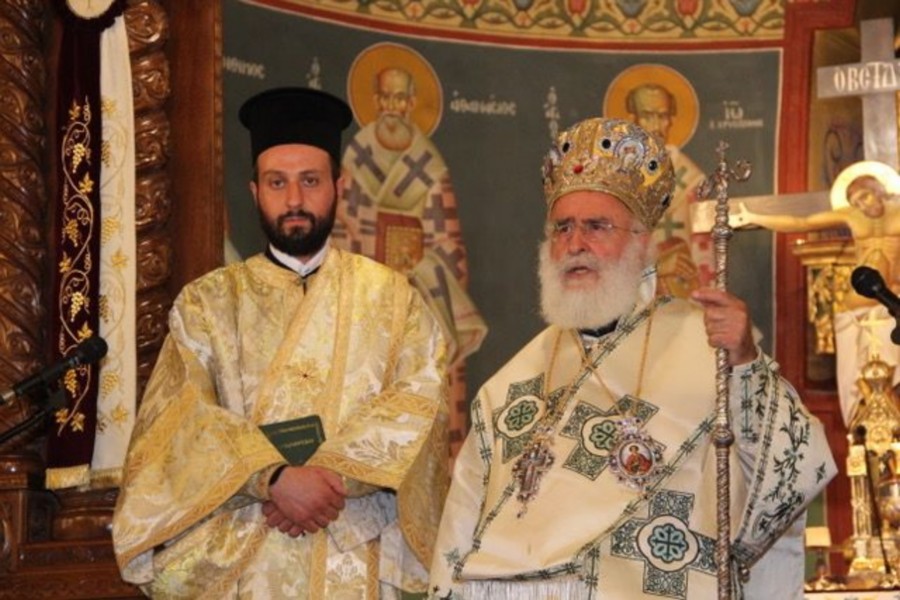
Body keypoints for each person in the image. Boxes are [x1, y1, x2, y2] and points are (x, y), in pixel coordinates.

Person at [428, 117, 837, 599]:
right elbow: (459, 533)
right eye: (562, 228)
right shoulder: (507, 389)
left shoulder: (706, 347)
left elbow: (794, 469)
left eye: (597, 226)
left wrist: (746, 364)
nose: (575, 244)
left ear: (643, 242)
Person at [111, 87, 450, 599]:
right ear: (255, 192)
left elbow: (422, 401)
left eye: (310, 181)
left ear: (339, 186)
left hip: (357, 544)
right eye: (277, 182)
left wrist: (328, 479)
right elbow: (178, 420)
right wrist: (271, 479)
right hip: (248, 554)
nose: (294, 200)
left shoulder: (394, 298)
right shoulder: (206, 304)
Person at [334, 64, 487, 456]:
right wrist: (372, 273)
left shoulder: (428, 164)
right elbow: (341, 232)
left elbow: (448, 243)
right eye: (385, 97)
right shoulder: (357, 157)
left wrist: (419, 270)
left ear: (412, 102)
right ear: (374, 100)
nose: (392, 106)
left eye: (400, 98)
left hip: (421, 297)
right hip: (367, 300)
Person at [734, 160, 900, 424]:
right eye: (857, 202)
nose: (864, 205)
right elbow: (802, 222)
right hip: (860, 300)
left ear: (879, 188)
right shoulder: (851, 216)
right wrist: (755, 218)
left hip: (894, 296)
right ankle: (863, 414)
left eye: (866, 196)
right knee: (860, 365)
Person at [624, 81, 709, 298]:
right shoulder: (617, 179)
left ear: (671, 120)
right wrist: (656, 268)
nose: (655, 126)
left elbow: (704, 255)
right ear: (633, 120)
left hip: (683, 297)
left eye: (662, 116)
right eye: (647, 116)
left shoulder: (691, 179)